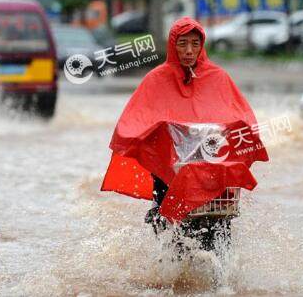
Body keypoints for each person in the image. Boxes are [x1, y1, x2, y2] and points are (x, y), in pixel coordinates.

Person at [101, 17, 268, 250]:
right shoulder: (156, 80)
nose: (189, 51)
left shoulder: (218, 78)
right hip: (169, 172)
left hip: (213, 175)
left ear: (202, 46)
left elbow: (243, 119)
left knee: (218, 239)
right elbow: (132, 123)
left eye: (194, 44)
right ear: (172, 45)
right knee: (171, 237)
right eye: (182, 44)